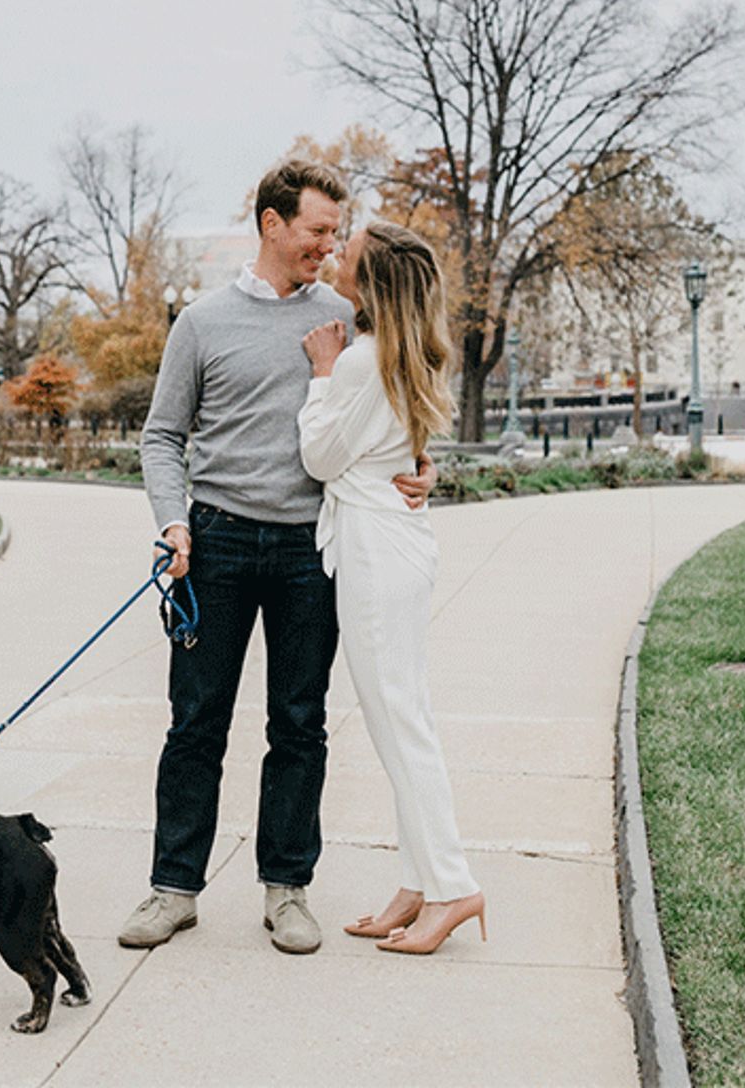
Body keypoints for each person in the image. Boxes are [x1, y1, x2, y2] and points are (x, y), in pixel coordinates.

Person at [120, 159, 435, 956]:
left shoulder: (347, 319)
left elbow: (400, 403)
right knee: (196, 724)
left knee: (300, 726)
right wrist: (172, 523)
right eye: (317, 231)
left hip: (310, 548)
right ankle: (173, 889)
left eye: (336, 234)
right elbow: (162, 435)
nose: (329, 249)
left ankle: (287, 890)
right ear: (272, 224)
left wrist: (427, 466)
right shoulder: (201, 322)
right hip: (215, 541)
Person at [297, 221, 485, 955]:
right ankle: (418, 883)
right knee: (403, 718)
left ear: (372, 283)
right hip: (398, 543)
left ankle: (451, 887)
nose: (336, 254)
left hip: (376, 552)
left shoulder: (358, 362)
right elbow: (402, 453)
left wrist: (319, 374)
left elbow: (319, 456)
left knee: (400, 724)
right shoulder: (405, 356)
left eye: (349, 253)